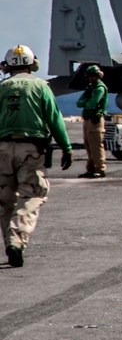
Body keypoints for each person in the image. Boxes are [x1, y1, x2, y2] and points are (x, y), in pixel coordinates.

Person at [0, 45, 72, 267]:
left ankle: (11, 244)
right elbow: (54, 118)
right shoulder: (41, 86)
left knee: (4, 201)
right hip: (31, 149)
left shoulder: (1, 87)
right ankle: (17, 241)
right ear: (33, 64)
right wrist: (66, 147)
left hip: (2, 149)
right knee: (32, 195)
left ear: (7, 66)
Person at [76, 64, 108, 178]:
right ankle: (91, 169)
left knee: (96, 145)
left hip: (95, 119)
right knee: (89, 145)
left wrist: (86, 102)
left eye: (93, 75)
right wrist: (86, 102)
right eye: (90, 75)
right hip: (88, 119)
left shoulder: (99, 88)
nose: (91, 78)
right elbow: (79, 102)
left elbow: (92, 104)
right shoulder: (91, 87)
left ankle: (100, 169)